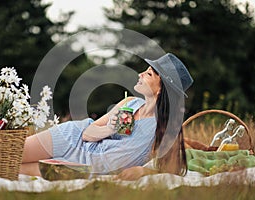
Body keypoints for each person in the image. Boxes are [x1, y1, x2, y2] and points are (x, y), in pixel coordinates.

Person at [20, 53, 194, 177]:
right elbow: (87, 134)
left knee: (10, 168)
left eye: (148, 74)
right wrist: (109, 128)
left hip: (84, 167)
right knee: (10, 155)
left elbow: (174, 170)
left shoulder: (164, 128)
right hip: (70, 138)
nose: (140, 74)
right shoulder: (130, 103)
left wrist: (144, 171)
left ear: (162, 89)